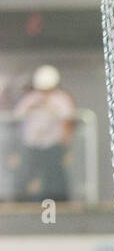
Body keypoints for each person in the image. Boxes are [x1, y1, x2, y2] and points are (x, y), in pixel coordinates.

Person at [13, 64, 75, 202]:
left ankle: (59, 200)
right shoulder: (30, 98)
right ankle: (22, 199)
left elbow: (68, 119)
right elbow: (17, 115)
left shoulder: (61, 99)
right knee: (26, 173)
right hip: (32, 144)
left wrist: (65, 143)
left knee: (54, 173)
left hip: (52, 144)